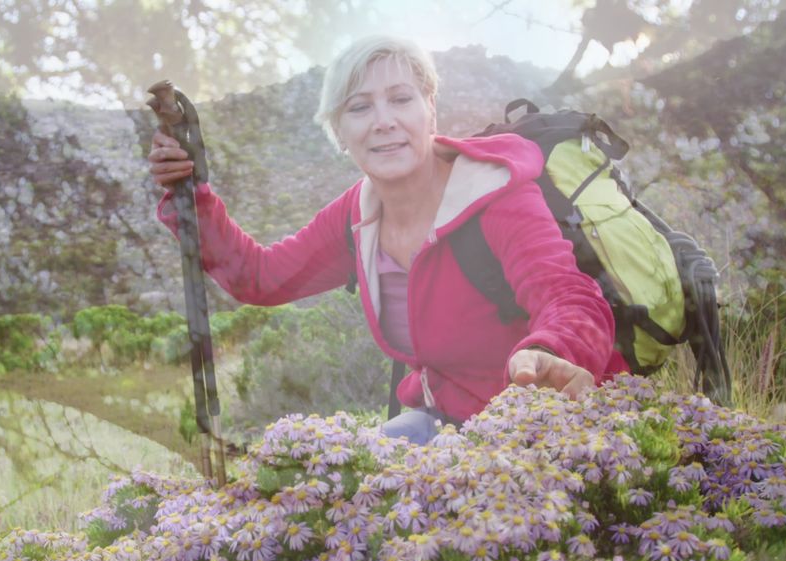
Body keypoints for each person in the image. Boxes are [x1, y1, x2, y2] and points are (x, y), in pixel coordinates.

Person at [148, 36, 623, 445]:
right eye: (359, 107)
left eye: (401, 99)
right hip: (446, 425)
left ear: (429, 107)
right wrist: (193, 197)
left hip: (544, 423)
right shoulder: (357, 216)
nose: (384, 121)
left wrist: (553, 353)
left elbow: (568, 295)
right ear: (340, 131)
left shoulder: (494, 194)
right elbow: (260, 278)